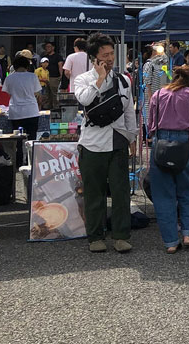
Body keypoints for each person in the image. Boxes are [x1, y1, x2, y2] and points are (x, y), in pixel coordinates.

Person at [73, 33, 137, 253]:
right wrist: (99, 79)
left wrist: (133, 136)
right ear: (94, 57)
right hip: (91, 143)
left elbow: (129, 110)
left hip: (118, 140)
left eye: (112, 54)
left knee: (121, 191)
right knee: (94, 193)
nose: (110, 58)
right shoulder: (83, 79)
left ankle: (121, 235)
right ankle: (95, 236)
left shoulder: (123, 80)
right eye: (105, 55)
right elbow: (84, 100)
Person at [148, 64, 189, 253]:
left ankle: (170, 242)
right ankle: (187, 233)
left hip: (160, 145)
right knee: (187, 190)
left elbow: (151, 125)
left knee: (163, 194)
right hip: (184, 143)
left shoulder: (158, 94)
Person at [1, 56, 42, 148]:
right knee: (32, 139)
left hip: (15, 112)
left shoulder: (9, 78)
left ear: (14, 66)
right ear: (27, 66)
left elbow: (8, 93)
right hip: (31, 111)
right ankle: (31, 159)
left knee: (17, 139)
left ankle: (18, 160)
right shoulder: (32, 76)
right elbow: (37, 93)